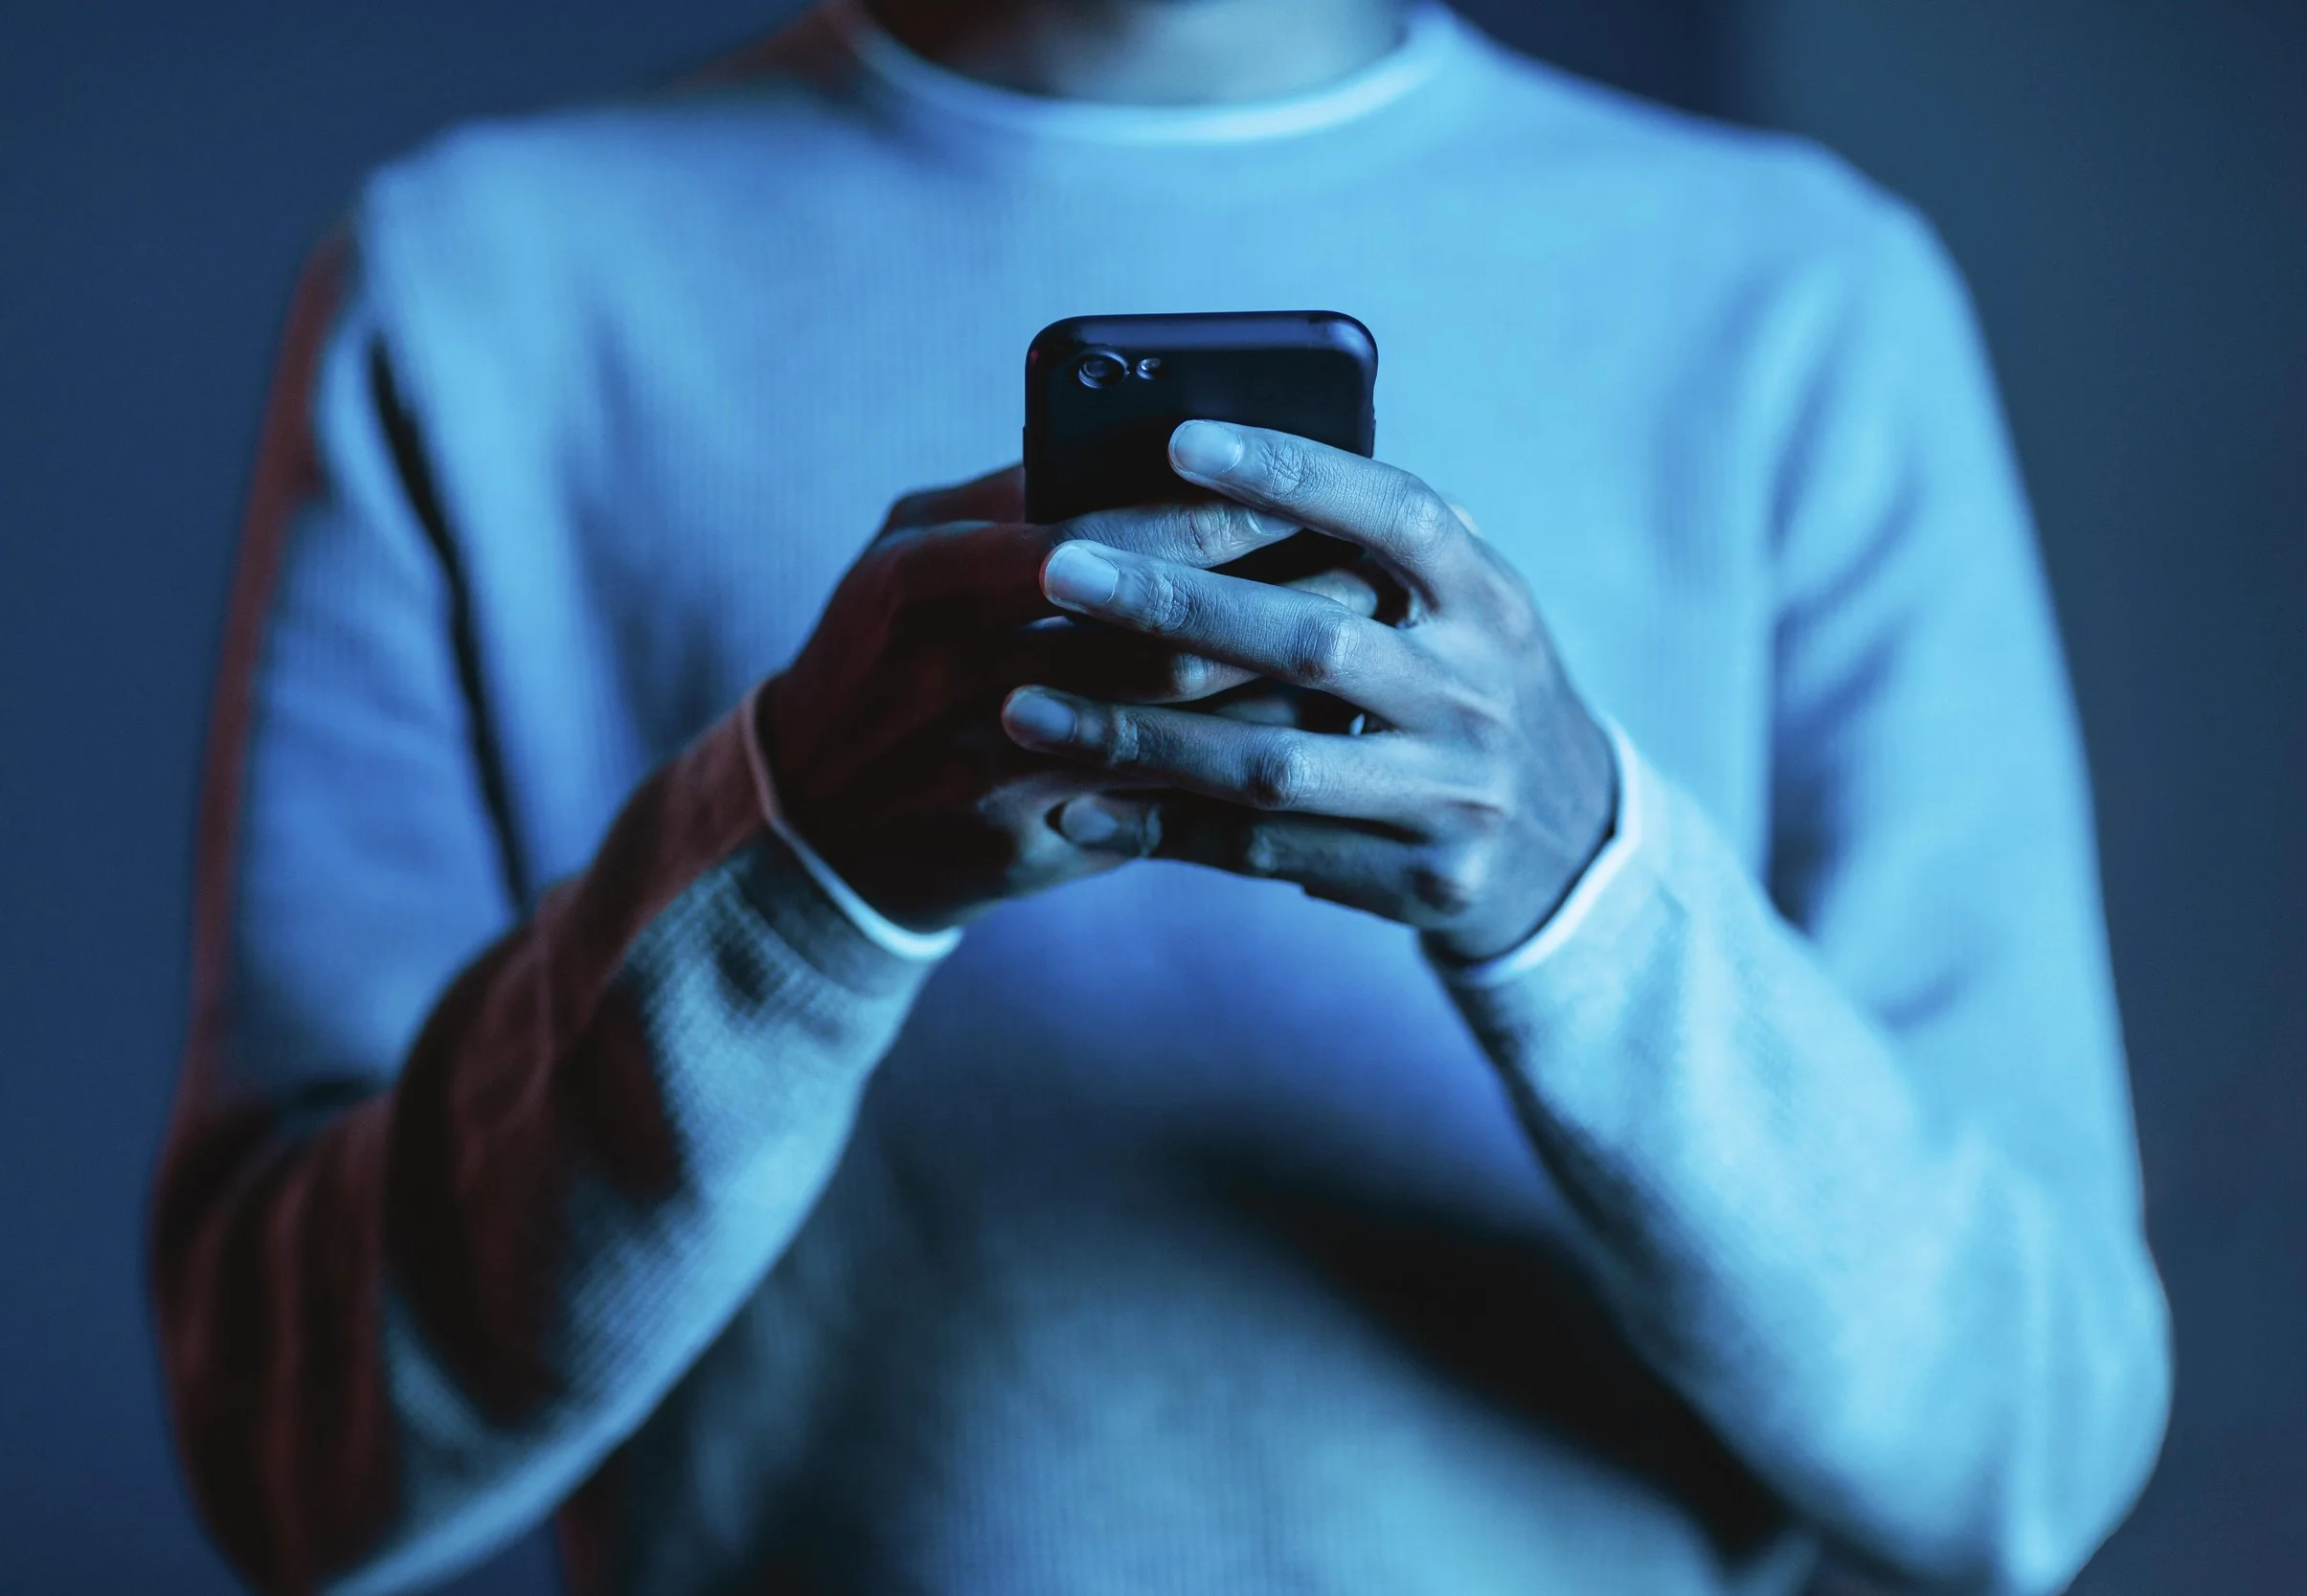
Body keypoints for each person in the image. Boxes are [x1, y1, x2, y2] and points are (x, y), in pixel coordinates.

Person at [147, 0, 2174, 1591]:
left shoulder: (1796, 298)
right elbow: (292, 1452)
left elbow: (2020, 1455)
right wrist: (785, 870)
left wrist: (1588, 892)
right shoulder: (479, 286)